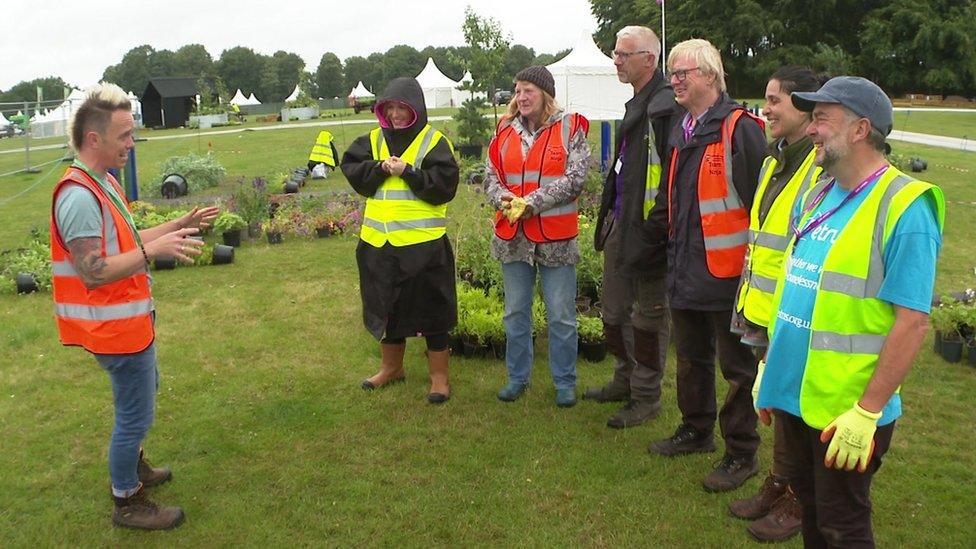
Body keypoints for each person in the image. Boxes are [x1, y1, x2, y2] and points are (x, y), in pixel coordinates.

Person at [756, 76, 943, 547]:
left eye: (821, 117)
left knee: (843, 528)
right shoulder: (816, 193)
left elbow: (913, 321)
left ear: (860, 129)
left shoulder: (905, 206)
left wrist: (868, 411)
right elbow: (795, 291)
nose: (812, 128)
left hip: (848, 410)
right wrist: (769, 365)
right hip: (798, 396)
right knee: (813, 515)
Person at [51, 83, 218, 530]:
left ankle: (134, 468)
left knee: (142, 399)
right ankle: (127, 499)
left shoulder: (102, 182)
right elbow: (93, 269)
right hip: (114, 330)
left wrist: (178, 224)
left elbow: (126, 241)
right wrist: (153, 253)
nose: (132, 143)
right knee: (134, 415)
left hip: (131, 323)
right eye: (124, 135)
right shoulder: (79, 196)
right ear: (94, 139)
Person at [645, 39, 768, 493]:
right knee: (692, 357)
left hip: (728, 274)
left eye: (683, 73)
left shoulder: (740, 128)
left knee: (737, 368)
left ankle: (741, 452)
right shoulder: (683, 127)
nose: (674, 80)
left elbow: (763, 204)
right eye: (672, 72)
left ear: (710, 75)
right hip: (685, 268)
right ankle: (695, 430)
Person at [727, 66, 825, 543]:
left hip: (794, 310)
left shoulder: (818, 169)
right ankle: (782, 482)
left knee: (797, 408)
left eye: (774, 101)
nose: (766, 109)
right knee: (779, 404)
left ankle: (801, 500)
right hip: (763, 304)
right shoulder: (774, 160)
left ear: (804, 108)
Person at [340, 77, 459, 404]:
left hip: (425, 247)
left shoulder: (433, 143)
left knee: (434, 311)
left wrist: (408, 171)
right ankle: (391, 368)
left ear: (416, 109)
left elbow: (443, 187)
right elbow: (354, 171)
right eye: (389, 108)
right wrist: (380, 168)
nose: (394, 115)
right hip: (379, 246)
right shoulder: (373, 140)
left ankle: (439, 378)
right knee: (385, 308)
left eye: (401, 108)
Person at [584, 25, 676, 429]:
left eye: (623, 54)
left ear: (649, 60)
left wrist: (656, 231)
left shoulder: (664, 106)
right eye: (615, 53)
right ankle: (623, 379)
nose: (615, 60)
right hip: (624, 223)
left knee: (648, 316)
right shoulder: (638, 103)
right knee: (615, 310)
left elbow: (670, 177)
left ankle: (645, 396)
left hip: (651, 231)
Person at [484, 66, 590, 408]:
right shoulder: (503, 130)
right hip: (513, 239)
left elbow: (576, 179)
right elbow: (489, 176)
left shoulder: (570, 128)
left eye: (528, 90)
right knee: (515, 312)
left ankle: (564, 382)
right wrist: (502, 198)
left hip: (556, 240)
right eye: (517, 90)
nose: (521, 97)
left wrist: (532, 203)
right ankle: (517, 378)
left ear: (546, 94)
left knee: (561, 315)